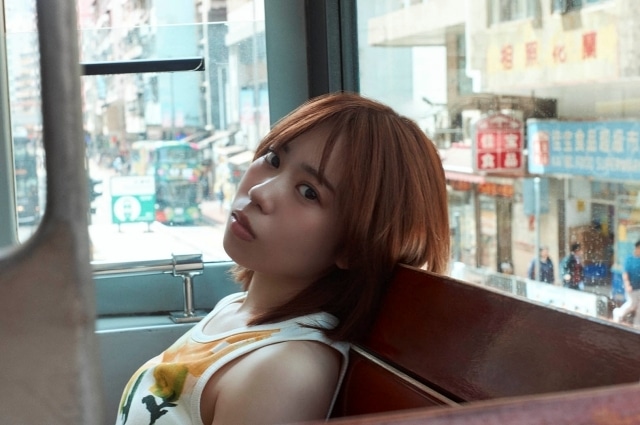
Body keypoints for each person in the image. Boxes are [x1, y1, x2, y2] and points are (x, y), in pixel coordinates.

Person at [115, 92, 451, 425]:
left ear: (354, 246)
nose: (260, 192)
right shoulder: (235, 309)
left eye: (309, 192)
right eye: (274, 159)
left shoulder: (286, 370)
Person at [613, 240, 640, 326]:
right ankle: (618, 313)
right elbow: (625, 273)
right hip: (631, 287)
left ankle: (637, 324)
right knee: (632, 304)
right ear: (637, 248)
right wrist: (627, 284)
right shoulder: (629, 259)